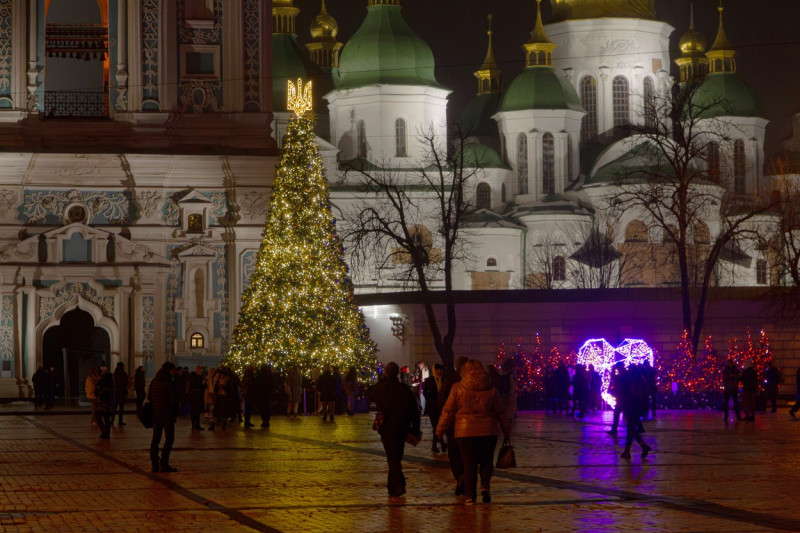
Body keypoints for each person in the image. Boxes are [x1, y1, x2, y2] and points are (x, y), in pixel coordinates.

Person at [436, 359, 511, 505]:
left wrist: (440, 430)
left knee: (469, 464)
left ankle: (470, 496)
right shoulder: (491, 387)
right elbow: (500, 411)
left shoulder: (458, 387)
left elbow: (448, 411)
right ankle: (485, 485)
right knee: (486, 460)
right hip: (488, 430)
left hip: (464, 432)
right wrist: (506, 429)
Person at [368, 362, 421, 498]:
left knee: (392, 457)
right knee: (396, 456)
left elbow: (370, 396)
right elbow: (414, 411)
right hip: (402, 426)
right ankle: (394, 486)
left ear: (386, 372)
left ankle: (397, 485)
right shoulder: (404, 389)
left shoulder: (380, 387)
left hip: (387, 427)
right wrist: (415, 429)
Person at [439, 356, 468, 495]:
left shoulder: (451, 381)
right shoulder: (479, 380)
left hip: (454, 423)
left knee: (454, 452)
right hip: (471, 424)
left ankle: (459, 477)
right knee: (469, 455)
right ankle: (468, 480)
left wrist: (440, 428)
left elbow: (443, 400)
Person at [149, 362, 178, 473]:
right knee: (169, 439)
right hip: (167, 416)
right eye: (173, 370)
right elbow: (172, 401)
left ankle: (154, 463)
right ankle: (164, 463)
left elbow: (150, 397)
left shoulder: (154, 382)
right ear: (169, 370)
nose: (174, 372)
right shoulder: (168, 383)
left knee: (155, 440)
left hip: (156, 415)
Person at [619, 365, 652, 460]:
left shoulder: (630, 380)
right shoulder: (642, 380)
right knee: (630, 428)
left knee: (631, 429)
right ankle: (627, 451)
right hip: (639, 408)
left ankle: (643, 446)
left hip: (631, 407)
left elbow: (627, 394)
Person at [422, 363, 444, 453]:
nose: (438, 371)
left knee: (439, 426)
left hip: (441, 406)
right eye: (437, 369)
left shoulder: (444, 380)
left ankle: (438, 444)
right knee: (436, 426)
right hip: (433, 407)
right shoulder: (430, 380)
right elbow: (425, 392)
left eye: (440, 369)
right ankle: (437, 444)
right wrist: (430, 399)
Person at [95, 366, 115, 439]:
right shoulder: (110, 378)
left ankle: (104, 432)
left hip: (103, 402)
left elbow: (97, 390)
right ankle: (107, 433)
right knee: (106, 419)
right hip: (108, 402)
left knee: (98, 417)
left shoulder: (103, 379)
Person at [606, 362, 625, 435]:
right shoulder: (624, 375)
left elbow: (613, 378)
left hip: (622, 397)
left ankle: (614, 430)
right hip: (622, 397)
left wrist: (613, 369)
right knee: (619, 413)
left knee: (617, 413)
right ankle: (614, 429)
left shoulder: (621, 376)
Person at [722, 358, 742, 422]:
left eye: (731, 363)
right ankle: (726, 415)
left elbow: (739, 377)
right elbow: (724, 377)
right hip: (728, 388)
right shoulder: (726, 370)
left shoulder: (736, 370)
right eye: (729, 363)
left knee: (736, 403)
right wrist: (731, 376)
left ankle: (738, 416)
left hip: (734, 388)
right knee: (726, 403)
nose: (730, 364)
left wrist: (731, 376)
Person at [498, 357, 516, 423]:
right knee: (510, 407)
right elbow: (512, 386)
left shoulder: (504, 374)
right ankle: (509, 418)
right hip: (507, 393)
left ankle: (506, 418)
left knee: (506, 406)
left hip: (504, 393)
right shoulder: (510, 375)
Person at [188, 365, 206, 430]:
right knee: (194, 411)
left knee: (197, 411)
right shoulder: (192, 375)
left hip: (198, 396)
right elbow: (194, 385)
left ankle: (197, 425)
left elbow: (203, 386)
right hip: (194, 396)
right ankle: (194, 425)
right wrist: (201, 384)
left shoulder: (200, 376)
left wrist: (204, 384)